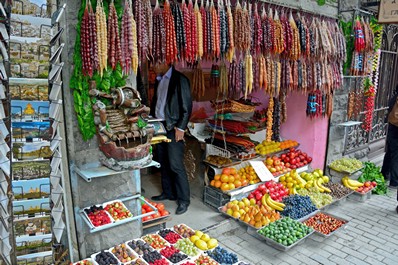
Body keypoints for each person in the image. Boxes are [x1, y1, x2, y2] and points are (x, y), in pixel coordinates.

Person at [150, 63, 192, 215]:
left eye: (155, 62)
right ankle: (168, 193)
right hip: (160, 125)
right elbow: (159, 102)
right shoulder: (159, 79)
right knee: (163, 162)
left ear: (164, 62)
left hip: (173, 127)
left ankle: (184, 200)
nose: (152, 66)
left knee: (175, 164)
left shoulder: (180, 79)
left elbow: (187, 106)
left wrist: (181, 127)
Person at [381, 85, 398, 212]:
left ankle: (384, 173)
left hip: (393, 128)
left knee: (391, 152)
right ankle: (394, 180)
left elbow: (389, 111)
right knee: (395, 154)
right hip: (395, 129)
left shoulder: (395, 97)